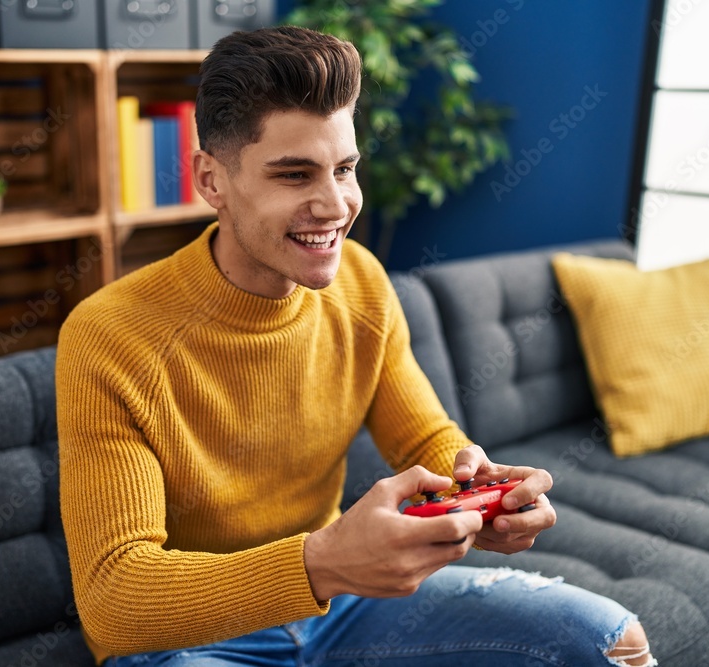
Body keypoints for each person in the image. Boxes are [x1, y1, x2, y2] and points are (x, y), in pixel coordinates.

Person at [55, 25, 657, 667]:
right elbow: (115, 599)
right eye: (294, 174)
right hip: (188, 636)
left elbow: (426, 437)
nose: (335, 204)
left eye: (344, 168)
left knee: (616, 645)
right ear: (211, 180)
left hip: (343, 598)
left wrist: (478, 484)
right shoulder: (109, 336)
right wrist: (322, 561)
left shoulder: (363, 282)